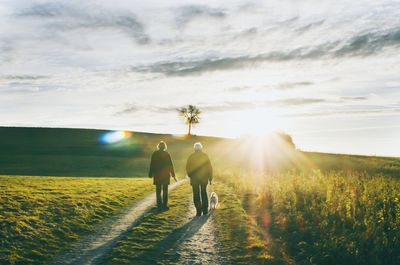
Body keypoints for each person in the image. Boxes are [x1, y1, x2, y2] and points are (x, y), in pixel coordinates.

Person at [186, 142, 213, 216]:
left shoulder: (191, 156)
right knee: (203, 192)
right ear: (201, 148)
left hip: (194, 179)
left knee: (196, 194)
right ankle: (205, 210)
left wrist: (190, 175)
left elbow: (188, 168)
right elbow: (209, 168)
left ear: (194, 148)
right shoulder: (205, 156)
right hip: (204, 178)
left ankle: (198, 211)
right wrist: (210, 177)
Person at [148, 141, 176, 210]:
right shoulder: (167, 154)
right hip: (165, 175)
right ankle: (165, 205)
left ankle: (159, 204)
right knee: (165, 190)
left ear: (158, 146)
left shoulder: (155, 154)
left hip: (157, 175)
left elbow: (152, 164)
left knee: (158, 190)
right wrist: (173, 174)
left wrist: (150, 173)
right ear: (164, 147)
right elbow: (170, 165)